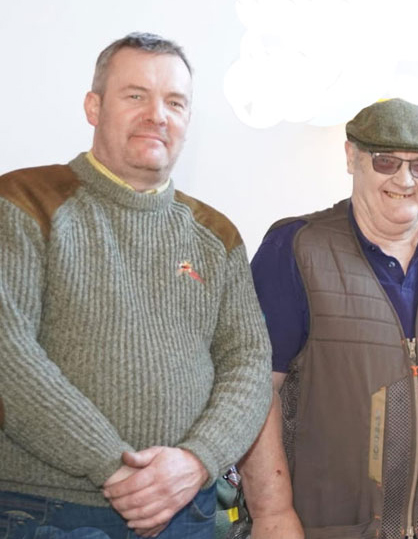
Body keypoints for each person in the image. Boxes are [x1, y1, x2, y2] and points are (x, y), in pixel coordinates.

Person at [0, 32, 271, 538]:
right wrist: (115, 467)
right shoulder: (22, 201)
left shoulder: (216, 234)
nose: (157, 114)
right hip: (49, 513)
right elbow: (7, 356)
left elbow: (249, 364)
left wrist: (196, 461)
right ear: (93, 106)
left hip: (189, 511)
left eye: (174, 101)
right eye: (135, 96)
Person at [238, 98, 418, 539]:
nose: (404, 179)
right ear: (351, 158)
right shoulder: (297, 249)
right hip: (323, 526)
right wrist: (272, 512)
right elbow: (255, 390)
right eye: (386, 162)